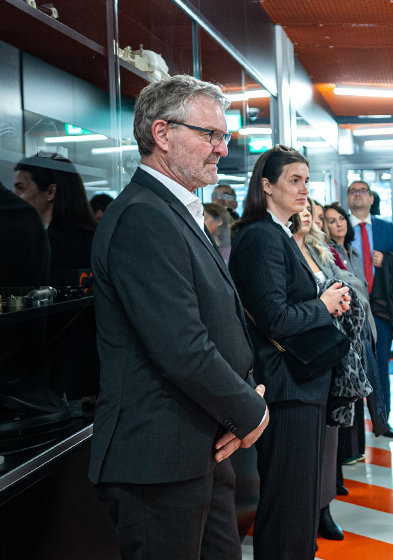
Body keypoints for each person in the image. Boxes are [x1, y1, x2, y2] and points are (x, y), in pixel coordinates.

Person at [89, 75, 269, 560]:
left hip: (200, 446)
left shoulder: (174, 209)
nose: (221, 148)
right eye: (210, 134)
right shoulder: (143, 216)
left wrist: (244, 394)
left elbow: (216, 320)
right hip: (159, 461)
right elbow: (181, 346)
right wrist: (252, 411)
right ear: (162, 134)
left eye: (223, 136)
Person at [230, 145, 352, 560]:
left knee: (299, 500)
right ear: (266, 186)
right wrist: (323, 305)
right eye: (294, 180)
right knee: (289, 503)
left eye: (306, 180)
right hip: (287, 384)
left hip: (300, 382)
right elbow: (274, 318)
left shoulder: (278, 232)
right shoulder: (261, 236)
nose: (304, 189)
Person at [295, 197, 372, 542]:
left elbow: (347, 284)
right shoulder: (283, 249)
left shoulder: (320, 249)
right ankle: (304, 514)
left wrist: (341, 297)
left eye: (311, 211)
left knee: (329, 438)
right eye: (302, 210)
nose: (307, 215)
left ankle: (324, 507)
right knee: (303, 447)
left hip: (334, 353)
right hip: (303, 355)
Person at [323, 202, 386, 463]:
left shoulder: (353, 251)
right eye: (331, 220)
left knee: (370, 376)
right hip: (346, 326)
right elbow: (350, 287)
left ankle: (370, 435)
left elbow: (362, 289)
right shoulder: (327, 251)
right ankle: (351, 449)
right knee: (354, 384)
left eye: (341, 219)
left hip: (364, 321)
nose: (338, 224)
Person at [347, 180, 393, 438]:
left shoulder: (385, 228)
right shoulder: (339, 225)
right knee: (351, 367)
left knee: (381, 365)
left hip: (380, 309)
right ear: (348, 199)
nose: (358, 195)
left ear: (371, 198)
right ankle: (352, 429)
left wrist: (387, 260)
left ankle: (382, 420)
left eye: (363, 191)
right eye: (353, 191)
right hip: (348, 309)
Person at [13, 154, 97, 270]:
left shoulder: (46, 245)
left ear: (51, 192)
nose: (14, 196)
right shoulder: (94, 238)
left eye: (21, 188)